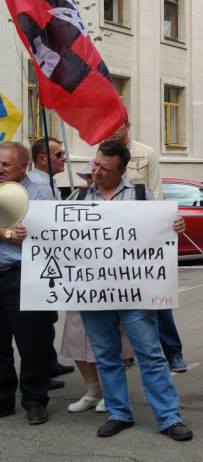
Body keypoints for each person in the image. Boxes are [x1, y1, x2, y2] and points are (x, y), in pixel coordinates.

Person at [77, 140, 193, 441]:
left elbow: (161, 231)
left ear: (122, 170)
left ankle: (168, 418)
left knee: (150, 354)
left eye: (104, 168)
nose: (96, 171)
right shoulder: (79, 197)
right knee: (106, 356)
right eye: (95, 164)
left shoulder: (141, 195)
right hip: (95, 292)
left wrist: (175, 225)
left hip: (134, 291)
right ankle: (118, 413)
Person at [107, 120, 187, 373]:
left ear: (129, 125)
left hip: (144, 237)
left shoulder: (146, 153)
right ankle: (125, 353)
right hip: (114, 241)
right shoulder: (101, 153)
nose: (113, 128)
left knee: (157, 300)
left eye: (118, 124)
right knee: (116, 300)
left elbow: (155, 192)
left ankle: (173, 352)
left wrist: (159, 229)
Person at [0, 142, 56, 426]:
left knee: (33, 343)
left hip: (24, 276)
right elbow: (10, 232)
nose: (0, 169)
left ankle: (35, 400)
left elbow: (51, 233)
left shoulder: (40, 194)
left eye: (6, 164)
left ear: (24, 166)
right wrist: (6, 232)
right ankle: (3, 399)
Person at [27, 137, 75, 387]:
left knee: (48, 317)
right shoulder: (37, 186)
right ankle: (41, 369)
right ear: (43, 159)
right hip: (40, 259)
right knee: (40, 319)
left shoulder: (49, 183)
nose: (63, 158)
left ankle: (49, 362)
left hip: (49, 256)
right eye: (59, 155)